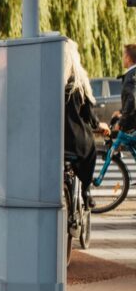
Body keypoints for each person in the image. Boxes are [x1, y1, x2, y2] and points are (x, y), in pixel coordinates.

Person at [64, 39, 105, 206]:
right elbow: (88, 114)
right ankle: (86, 190)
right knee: (90, 152)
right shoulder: (79, 83)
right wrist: (97, 125)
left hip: (53, 139)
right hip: (76, 140)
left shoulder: (50, 81)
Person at [117, 44, 136, 132]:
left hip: (131, 126)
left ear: (128, 58)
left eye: (123, 55)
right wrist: (120, 111)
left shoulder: (130, 76)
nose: (122, 58)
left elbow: (131, 99)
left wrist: (121, 122)